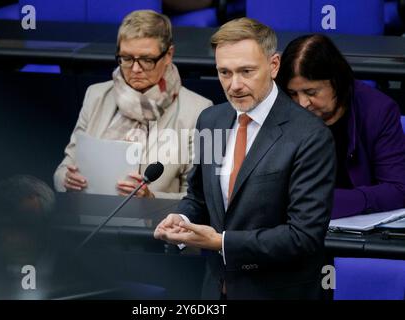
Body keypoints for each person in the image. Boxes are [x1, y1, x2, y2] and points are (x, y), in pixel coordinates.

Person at [154, 18, 336, 299]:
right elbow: (200, 197)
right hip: (216, 291)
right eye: (224, 72)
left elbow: (303, 237)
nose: (234, 85)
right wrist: (181, 218)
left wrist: (220, 242)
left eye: (246, 71)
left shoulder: (310, 136)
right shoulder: (210, 121)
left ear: (274, 65)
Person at [53, 10, 212, 199]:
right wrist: (67, 180)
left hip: (154, 226)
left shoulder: (198, 110)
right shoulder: (96, 95)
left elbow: (199, 197)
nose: (135, 69)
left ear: (168, 55)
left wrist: (149, 199)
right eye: (127, 58)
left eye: (146, 60)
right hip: (89, 216)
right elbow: (63, 170)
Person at [276, 34, 405, 219]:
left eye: (311, 92)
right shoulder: (282, 108)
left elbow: (398, 189)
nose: (302, 103)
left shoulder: (378, 111)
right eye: (293, 93)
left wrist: (327, 201)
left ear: (337, 81)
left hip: (355, 230)